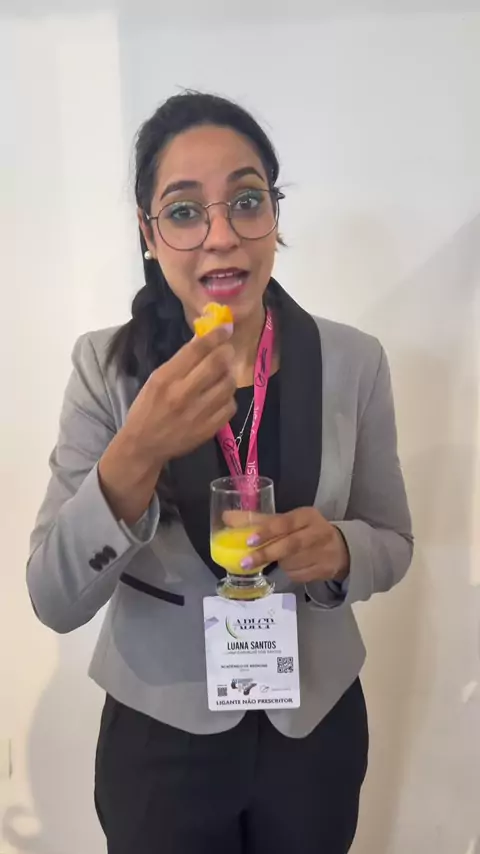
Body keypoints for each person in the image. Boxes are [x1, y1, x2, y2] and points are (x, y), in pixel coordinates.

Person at [27, 92, 413, 854]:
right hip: (160, 735)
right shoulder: (106, 370)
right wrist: (137, 451)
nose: (222, 236)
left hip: (315, 724)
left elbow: (394, 541)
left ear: (275, 214)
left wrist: (341, 551)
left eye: (246, 200)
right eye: (183, 211)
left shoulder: (354, 361)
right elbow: (53, 595)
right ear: (149, 235)